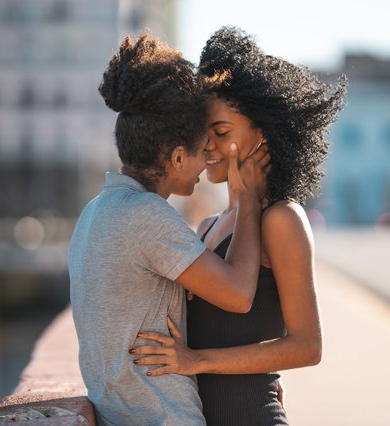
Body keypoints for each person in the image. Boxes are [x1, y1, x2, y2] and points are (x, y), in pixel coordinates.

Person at [130, 27, 347, 425]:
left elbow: (307, 346)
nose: (206, 146)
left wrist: (197, 361)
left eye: (222, 132)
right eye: (201, 134)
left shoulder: (281, 219)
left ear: (261, 133)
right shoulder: (209, 224)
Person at [68, 33, 270, 425]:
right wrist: (248, 200)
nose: (208, 158)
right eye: (201, 150)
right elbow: (240, 294)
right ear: (178, 157)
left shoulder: (94, 212)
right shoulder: (145, 216)